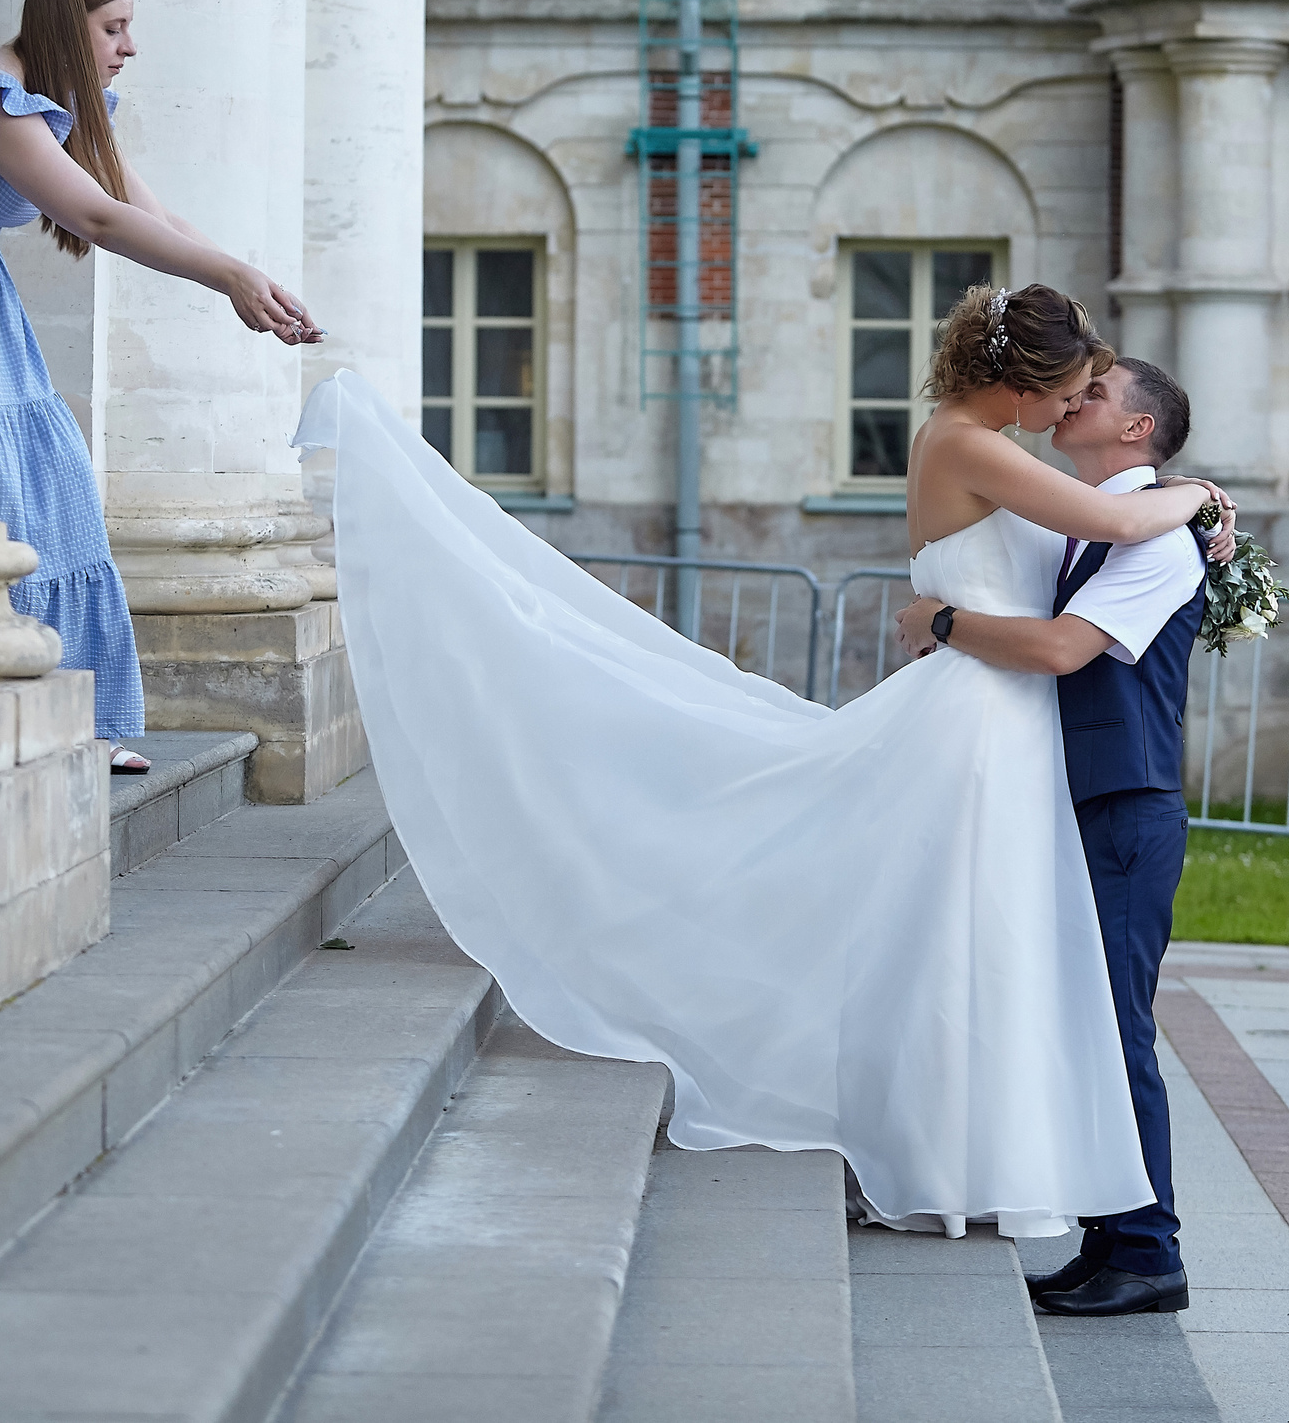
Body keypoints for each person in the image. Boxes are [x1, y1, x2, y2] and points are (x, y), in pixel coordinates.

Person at [292, 285, 1237, 1241]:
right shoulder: (966, 442)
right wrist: (1196, 493)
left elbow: (1091, 541)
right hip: (979, 727)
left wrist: (1179, 521)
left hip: (1005, 722)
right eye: (1065, 390)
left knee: (974, 948)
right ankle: (935, 1157)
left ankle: (968, 1156)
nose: (1067, 410)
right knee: (949, 945)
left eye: (1087, 395)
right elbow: (1110, 528)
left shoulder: (994, 451)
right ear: (1022, 382)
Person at [893, 356, 1208, 1317]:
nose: (1077, 401)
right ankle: (1105, 1233)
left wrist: (941, 619)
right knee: (1086, 1021)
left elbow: (1064, 649)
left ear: (1137, 432)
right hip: (1079, 798)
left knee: (1118, 1027)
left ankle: (1149, 1248)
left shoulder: (1161, 542)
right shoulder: (1089, 522)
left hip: (1127, 803)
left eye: (1099, 395)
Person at [0, 0, 321, 774]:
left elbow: (150, 210)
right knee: (12, 500)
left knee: (57, 494)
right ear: (70, 23)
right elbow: (95, 218)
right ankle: (24, 714)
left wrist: (252, 281)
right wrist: (228, 278)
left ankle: (81, 721)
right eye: (115, 28)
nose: (129, 47)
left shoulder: (66, 101)